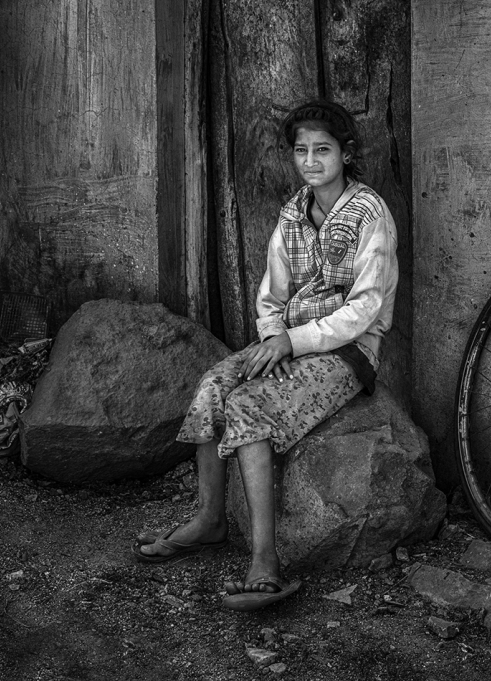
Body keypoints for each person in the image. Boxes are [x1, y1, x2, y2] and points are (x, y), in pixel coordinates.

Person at [131, 99, 398, 611]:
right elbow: (271, 297)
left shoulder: (370, 214)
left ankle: (265, 559)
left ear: (346, 154)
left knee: (248, 406)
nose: (311, 161)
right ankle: (210, 519)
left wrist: (294, 343)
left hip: (348, 351)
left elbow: (366, 307)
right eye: (301, 151)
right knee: (214, 384)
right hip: (289, 340)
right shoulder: (293, 213)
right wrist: (275, 338)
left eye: (323, 150)